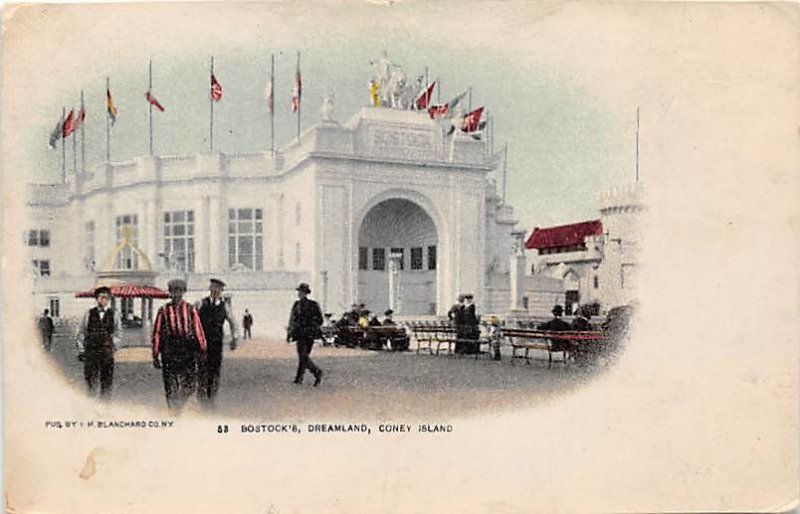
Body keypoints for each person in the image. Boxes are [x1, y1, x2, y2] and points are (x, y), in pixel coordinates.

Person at [152, 279, 207, 412]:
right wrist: (155, 354)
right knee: (170, 384)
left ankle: (180, 402)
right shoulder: (163, 310)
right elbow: (157, 332)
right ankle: (173, 411)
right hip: (169, 349)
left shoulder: (190, 309)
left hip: (186, 348)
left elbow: (198, 329)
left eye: (179, 291)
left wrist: (202, 349)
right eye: (174, 291)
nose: (176, 294)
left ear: (183, 292)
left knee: (191, 383)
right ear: (170, 292)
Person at [196, 278, 238, 405]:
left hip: (216, 342)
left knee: (215, 368)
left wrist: (234, 338)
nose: (215, 291)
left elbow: (233, 323)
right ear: (209, 289)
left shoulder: (225, 306)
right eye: (213, 288)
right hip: (202, 341)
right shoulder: (200, 303)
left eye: (218, 289)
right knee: (202, 367)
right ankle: (202, 393)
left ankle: (212, 394)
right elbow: (192, 320)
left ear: (221, 291)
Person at [75, 286, 123, 399]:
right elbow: (81, 332)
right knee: (91, 380)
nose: (103, 300)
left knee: (107, 381)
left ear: (109, 299)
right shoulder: (88, 313)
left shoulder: (114, 314)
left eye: (106, 298)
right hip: (91, 352)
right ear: (96, 298)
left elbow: (118, 332)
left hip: (106, 352)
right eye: (101, 297)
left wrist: (112, 346)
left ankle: (105, 406)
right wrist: (81, 349)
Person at [287, 283, 324, 386]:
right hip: (300, 334)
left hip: (309, 334)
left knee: (303, 356)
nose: (299, 294)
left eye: (301, 292)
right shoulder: (296, 305)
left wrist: (312, 323)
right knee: (303, 356)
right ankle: (299, 378)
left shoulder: (313, 304)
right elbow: (292, 320)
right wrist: (289, 333)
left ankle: (317, 372)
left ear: (306, 293)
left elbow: (320, 319)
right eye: (299, 292)